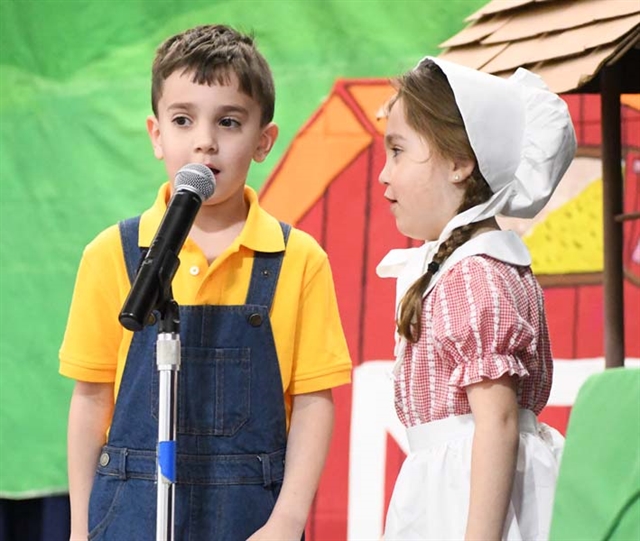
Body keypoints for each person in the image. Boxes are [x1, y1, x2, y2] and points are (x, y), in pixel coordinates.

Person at [59, 24, 352, 541]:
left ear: (263, 141)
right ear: (156, 134)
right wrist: (81, 529)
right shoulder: (112, 255)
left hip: (251, 519)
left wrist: (287, 520)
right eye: (182, 119)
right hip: (129, 512)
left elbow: (313, 401)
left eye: (229, 121)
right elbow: (90, 398)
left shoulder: (297, 259)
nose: (204, 141)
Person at [375, 56, 576, 540]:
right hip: (445, 495)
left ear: (460, 163)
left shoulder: (474, 277)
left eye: (398, 151)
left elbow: (498, 423)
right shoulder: (457, 269)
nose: (384, 174)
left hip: (472, 504)